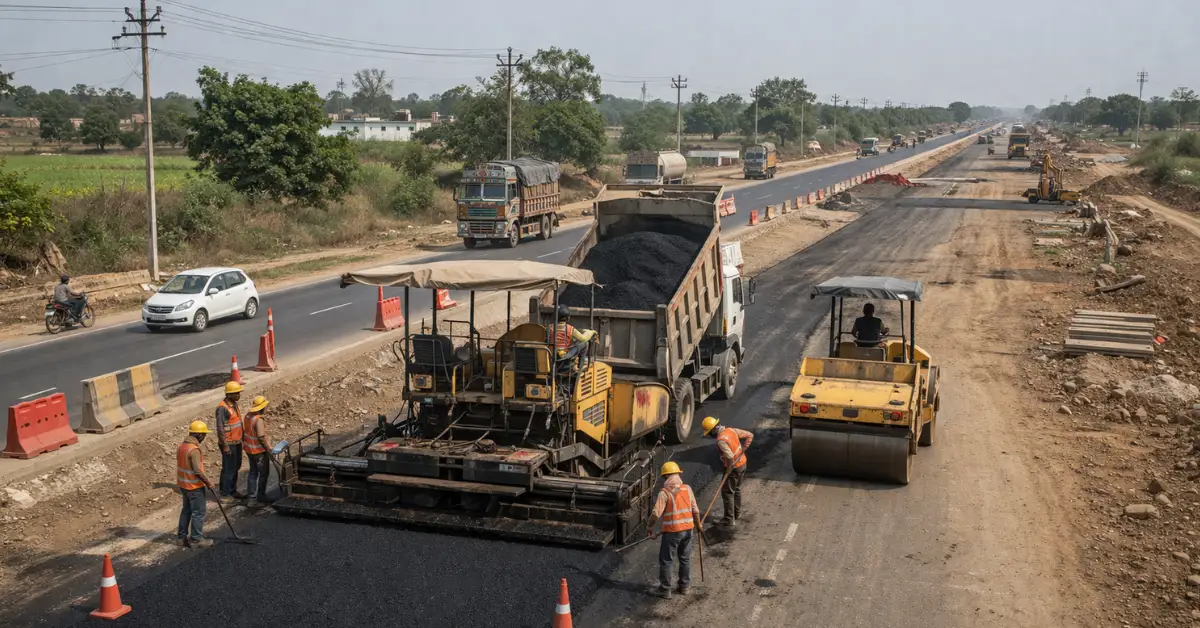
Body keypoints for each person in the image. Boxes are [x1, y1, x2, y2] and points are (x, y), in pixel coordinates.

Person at [647, 461, 700, 599]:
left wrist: (650, 527)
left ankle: (665, 590)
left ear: (666, 477)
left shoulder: (665, 493)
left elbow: (655, 514)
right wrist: (698, 525)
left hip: (673, 532)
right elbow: (695, 510)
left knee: (666, 560)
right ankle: (684, 587)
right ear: (677, 474)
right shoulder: (687, 489)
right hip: (688, 530)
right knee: (685, 559)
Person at [701, 416, 752, 527]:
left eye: (710, 433)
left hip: (734, 468)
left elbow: (729, 457)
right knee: (736, 489)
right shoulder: (731, 430)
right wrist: (743, 450)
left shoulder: (721, 441)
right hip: (743, 464)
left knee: (727, 492)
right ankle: (736, 514)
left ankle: (729, 520)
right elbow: (750, 435)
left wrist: (729, 470)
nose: (710, 435)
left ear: (714, 430)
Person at [177, 420, 215, 548]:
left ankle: (181, 537)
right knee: (198, 512)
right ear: (199, 435)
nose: (204, 437)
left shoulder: (182, 446)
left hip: (183, 485)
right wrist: (208, 483)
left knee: (186, 510)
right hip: (194, 487)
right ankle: (196, 539)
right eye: (204, 435)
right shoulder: (194, 450)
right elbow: (197, 470)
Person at [215, 381, 245, 502]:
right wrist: (225, 446)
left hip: (236, 442)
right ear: (229, 394)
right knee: (229, 468)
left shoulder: (233, 404)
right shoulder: (222, 408)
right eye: (236, 393)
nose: (238, 395)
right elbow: (220, 428)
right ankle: (225, 493)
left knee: (235, 467)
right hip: (229, 443)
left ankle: (232, 490)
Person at [242, 395, 274, 507]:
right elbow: (261, 437)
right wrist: (269, 449)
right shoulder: (258, 419)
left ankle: (251, 497)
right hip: (258, 451)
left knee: (253, 473)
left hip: (249, 449)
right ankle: (260, 496)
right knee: (263, 473)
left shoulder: (247, 416)